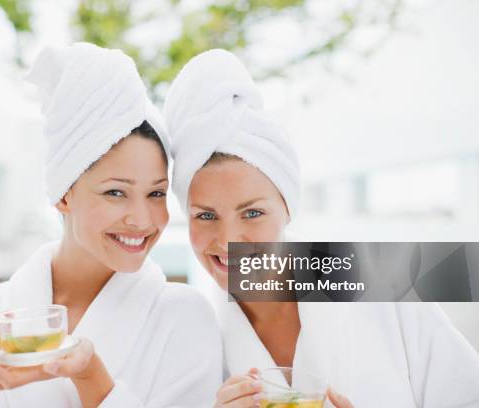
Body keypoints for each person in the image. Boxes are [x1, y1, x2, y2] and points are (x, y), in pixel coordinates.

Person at [0, 43, 222, 408]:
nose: (143, 219)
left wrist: (92, 379)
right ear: (63, 195)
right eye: (116, 192)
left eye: (156, 194)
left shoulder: (184, 316)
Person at [163, 48, 479, 408]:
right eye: (205, 216)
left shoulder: (384, 278)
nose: (228, 240)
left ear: (287, 208)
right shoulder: (192, 336)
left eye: (252, 213)